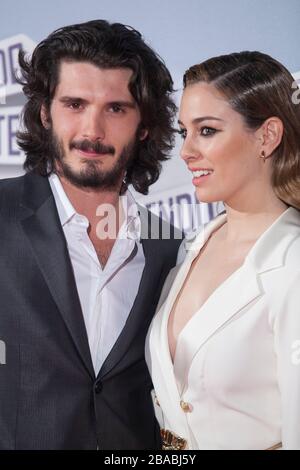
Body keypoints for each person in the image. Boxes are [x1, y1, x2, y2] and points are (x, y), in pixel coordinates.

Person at [0, 20, 182, 450]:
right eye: (75, 104)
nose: (92, 131)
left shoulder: (172, 249)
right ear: (45, 113)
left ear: (144, 125)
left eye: (116, 108)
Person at [146, 51, 300, 450]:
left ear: (267, 136)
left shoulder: (294, 264)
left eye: (207, 131)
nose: (186, 151)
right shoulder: (190, 248)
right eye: (184, 132)